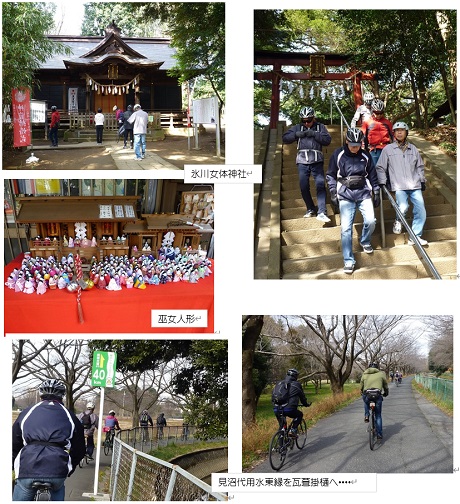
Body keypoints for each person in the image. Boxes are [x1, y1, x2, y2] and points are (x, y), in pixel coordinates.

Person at [12, 379, 85, 501]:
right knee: (58, 488)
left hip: (28, 467)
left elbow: (14, 442)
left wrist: (12, 465)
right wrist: (69, 468)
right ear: (62, 395)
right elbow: (80, 448)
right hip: (57, 468)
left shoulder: (27, 413)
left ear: (41, 395)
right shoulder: (70, 415)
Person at [326, 127, 381, 274]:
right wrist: (332, 192)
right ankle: (348, 260)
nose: (355, 148)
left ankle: (365, 240)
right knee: (345, 229)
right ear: (347, 141)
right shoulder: (338, 154)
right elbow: (330, 175)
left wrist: (376, 190)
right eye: (352, 145)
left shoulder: (365, 155)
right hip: (345, 193)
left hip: (363, 192)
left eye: (358, 145)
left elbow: (372, 174)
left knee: (370, 221)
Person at [376, 121, 428, 246]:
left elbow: (420, 166)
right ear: (393, 134)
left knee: (421, 211)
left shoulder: (413, 149)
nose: (399, 132)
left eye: (402, 130)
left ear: (406, 133)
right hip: (399, 185)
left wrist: (422, 180)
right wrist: (382, 182)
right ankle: (398, 220)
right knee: (403, 207)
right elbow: (380, 167)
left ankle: (415, 236)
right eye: (396, 130)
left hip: (414, 185)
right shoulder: (388, 149)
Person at [282, 106, 332, 223]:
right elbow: (284, 138)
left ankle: (322, 211)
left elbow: (327, 140)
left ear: (313, 118)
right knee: (303, 186)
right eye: (304, 121)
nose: (306, 123)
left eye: (308, 120)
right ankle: (310, 208)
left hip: (317, 160)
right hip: (302, 161)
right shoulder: (297, 127)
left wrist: (314, 134)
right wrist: (295, 135)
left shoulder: (320, 127)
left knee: (320, 184)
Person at [272, 368, 310, 437]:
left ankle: (280, 446)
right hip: (289, 409)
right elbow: (302, 397)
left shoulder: (279, 383)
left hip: (276, 409)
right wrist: (306, 404)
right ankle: (293, 430)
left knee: (282, 426)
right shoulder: (296, 384)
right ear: (295, 376)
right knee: (299, 415)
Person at [360, 362, 389, 441]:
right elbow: (385, 385)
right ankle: (379, 434)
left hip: (367, 395)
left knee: (365, 400)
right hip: (377, 395)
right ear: (377, 368)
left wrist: (361, 391)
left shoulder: (364, 374)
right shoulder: (381, 374)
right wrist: (386, 393)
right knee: (378, 415)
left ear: (369, 367)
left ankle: (366, 415)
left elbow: (361, 385)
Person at [361, 98, 393, 167]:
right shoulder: (367, 122)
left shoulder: (387, 122)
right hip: (374, 149)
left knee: (388, 170)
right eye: (377, 113)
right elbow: (363, 136)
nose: (379, 115)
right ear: (372, 111)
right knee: (375, 170)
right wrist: (364, 148)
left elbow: (393, 135)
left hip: (386, 148)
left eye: (381, 113)